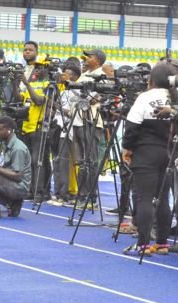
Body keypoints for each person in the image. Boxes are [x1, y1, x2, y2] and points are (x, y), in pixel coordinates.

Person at [121, 63, 178, 256]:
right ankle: (162, 243)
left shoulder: (144, 97)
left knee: (144, 198)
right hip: (169, 153)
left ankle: (144, 244)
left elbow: (131, 127)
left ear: (151, 79)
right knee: (163, 199)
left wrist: (128, 148)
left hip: (145, 152)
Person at [70, 49, 107, 210]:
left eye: (90, 56)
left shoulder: (101, 77)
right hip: (78, 121)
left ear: (98, 60)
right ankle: (82, 195)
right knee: (81, 161)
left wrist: (80, 96)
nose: (86, 59)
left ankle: (91, 198)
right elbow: (75, 96)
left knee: (90, 161)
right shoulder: (85, 75)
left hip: (91, 122)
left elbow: (91, 100)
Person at [14, 60, 50, 202]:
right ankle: (29, 190)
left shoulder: (48, 85)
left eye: (40, 68)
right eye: (35, 67)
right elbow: (19, 99)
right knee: (28, 162)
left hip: (38, 127)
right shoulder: (33, 84)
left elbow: (39, 101)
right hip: (26, 126)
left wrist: (27, 84)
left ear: (46, 70)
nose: (36, 70)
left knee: (37, 161)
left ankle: (39, 192)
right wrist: (16, 84)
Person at [47, 65, 81, 207]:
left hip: (67, 130)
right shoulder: (62, 91)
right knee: (56, 161)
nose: (63, 76)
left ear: (73, 77)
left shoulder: (76, 92)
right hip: (57, 128)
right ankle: (57, 193)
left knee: (63, 162)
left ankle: (64, 194)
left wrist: (55, 105)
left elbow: (73, 113)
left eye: (66, 74)